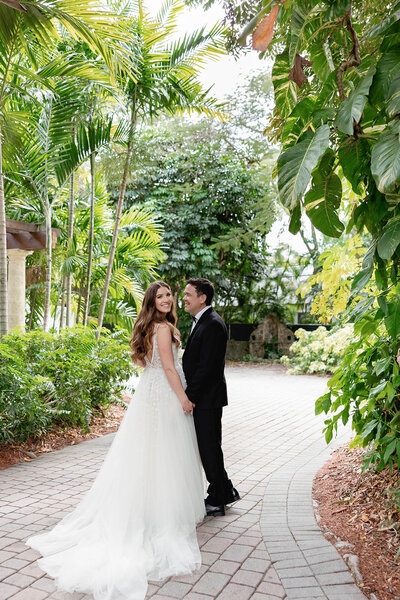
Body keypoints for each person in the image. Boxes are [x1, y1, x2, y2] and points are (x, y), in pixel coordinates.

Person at [26, 281, 205, 600]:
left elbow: (149, 365)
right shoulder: (163, 329)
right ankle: (158, 515)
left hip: (147, 394)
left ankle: (148, 507)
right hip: (162, 396)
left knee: (148, 455)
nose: (166, 299)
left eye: (168, 295)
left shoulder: (150, 327)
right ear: (152, 302)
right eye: (159, 296)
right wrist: (183, 398)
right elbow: (167, 367)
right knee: (164, 454)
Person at [182, 277, 239, 517]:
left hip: (207, 398)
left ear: (202, 297)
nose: (183, 298)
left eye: (188, 294)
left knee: (209, 448)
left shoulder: (213, 323)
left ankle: (219, 496)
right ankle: (225, 491)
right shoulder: (201, 320)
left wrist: (190, 396)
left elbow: (208, 367)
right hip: (204, 397)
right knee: (209, 447)